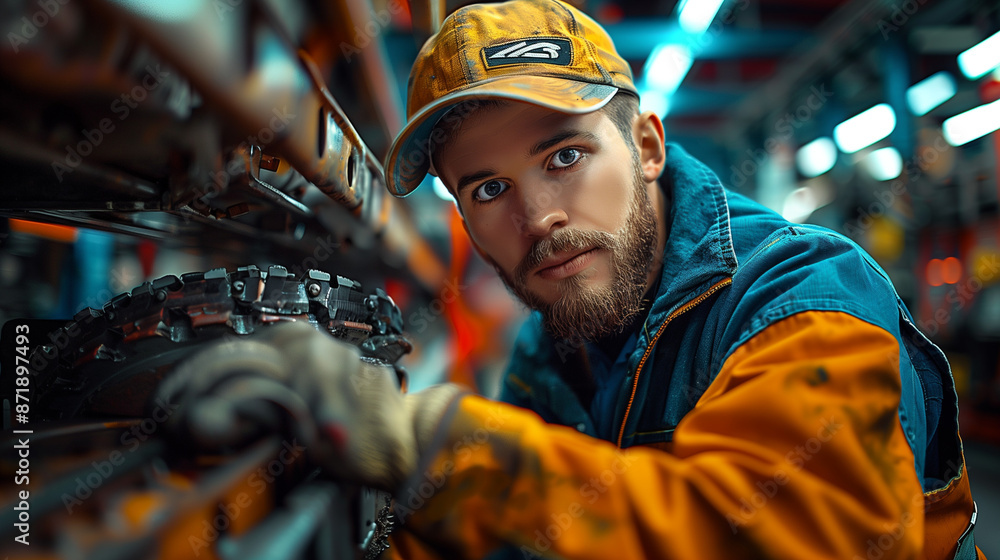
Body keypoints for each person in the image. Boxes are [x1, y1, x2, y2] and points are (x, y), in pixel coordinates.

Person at [170, 0, 982, 557]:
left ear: (650, 148)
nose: (538, 219)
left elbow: (785, 541)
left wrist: (428, 447)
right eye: (487, 189)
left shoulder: (806, 305)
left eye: (565, 156)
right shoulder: (558, 346)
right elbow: (525, 531)